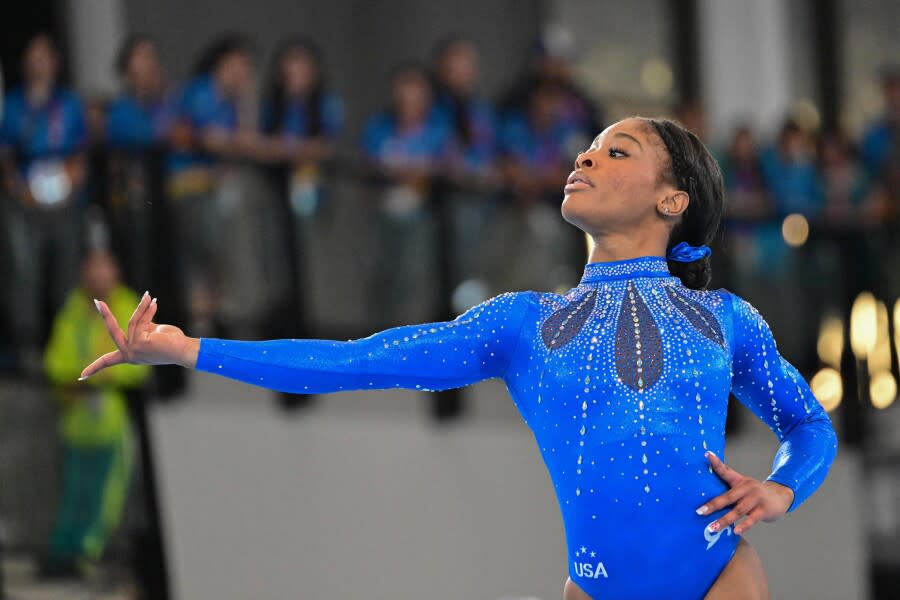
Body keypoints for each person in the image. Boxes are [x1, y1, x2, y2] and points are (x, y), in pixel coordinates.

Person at [79, 117, 838, 599]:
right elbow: (357, 360)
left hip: (721, 581)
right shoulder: (522, 325)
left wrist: (781, 492)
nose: (585, 154)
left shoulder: (722, 319)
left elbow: (808, 425)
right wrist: (191, 350)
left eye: (617, 150)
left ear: (672, 200)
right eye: (588, 145)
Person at [42, 249, 150, 578]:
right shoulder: (73, 309)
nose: (98, 276)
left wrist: (107, 376)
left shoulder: (131, 307)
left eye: (104, 268)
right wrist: (74, 379)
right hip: (76, 423)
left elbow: (144, 362)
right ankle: (62, 553)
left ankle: (85, 556)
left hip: (110, 426)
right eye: (92, 269)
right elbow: (55, 358)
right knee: (74, 492)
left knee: (105, 497)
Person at [0, 33, 88, 373]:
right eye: (31, 56)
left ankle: (66, 343)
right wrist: (19, 189)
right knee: (25, 271)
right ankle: (28, 345)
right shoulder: (15, 104)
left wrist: (71, 182)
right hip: (25, 200)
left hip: (65, 200)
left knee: (67, 271)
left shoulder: (68, 103)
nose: (38, 63)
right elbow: (6, 155)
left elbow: (80, 151)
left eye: (43, 56)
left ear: (54, 61)